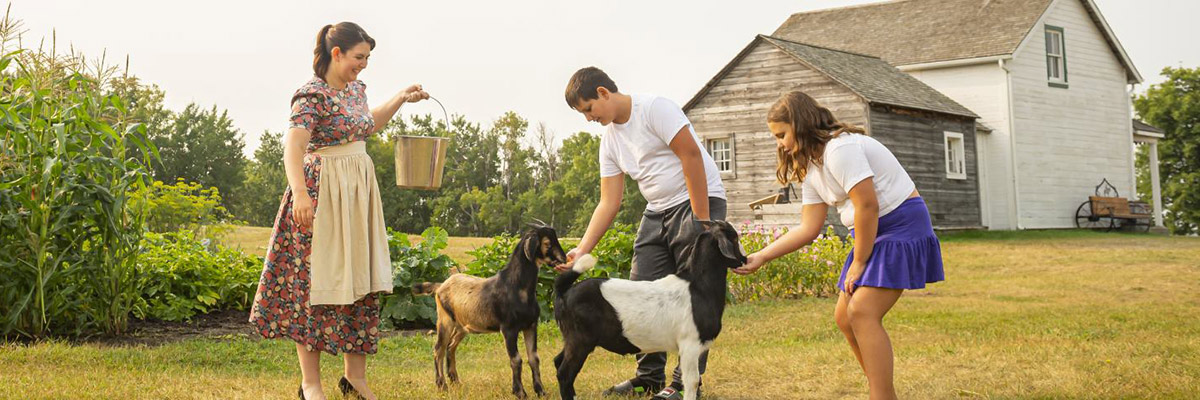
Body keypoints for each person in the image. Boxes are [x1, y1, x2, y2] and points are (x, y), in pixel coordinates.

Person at [248, 21, 430, 400]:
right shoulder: (311, 95)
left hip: (357, 193)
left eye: (367, 58)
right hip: (322, 191)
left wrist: (399, 98)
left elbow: (364, 127)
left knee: (360, 281)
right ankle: (310, 383)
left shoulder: (356, 91)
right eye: (358, 57)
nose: (363, 65)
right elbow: (294, 147)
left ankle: (355, 378)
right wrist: (300, 194)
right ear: (336, 53)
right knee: (315, 285)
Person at [733, 91, 944, 400]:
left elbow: (868, 206)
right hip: (871, 230)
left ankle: (881, 397)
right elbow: (809, 227)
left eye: (781, 134)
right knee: (844, 318)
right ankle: (882, 392)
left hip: (901, 225)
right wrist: (761, 256)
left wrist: (859, 261)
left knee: (862, 311)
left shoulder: (840, 149)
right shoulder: (811, 166)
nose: (779, 143)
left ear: (800, 124)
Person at [555, 66, 726, 400]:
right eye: (583, 114)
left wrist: (702, 222)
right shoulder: (610, 143)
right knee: (643, 288)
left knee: (695, 297)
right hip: (657, 211)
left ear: (603, 92)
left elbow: (691, 156)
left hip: (697, 202)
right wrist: (581, 248)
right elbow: (609, 202)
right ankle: (648, 376)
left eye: (589, 109)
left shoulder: (655, 108)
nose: (588, 118)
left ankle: (682, 383)